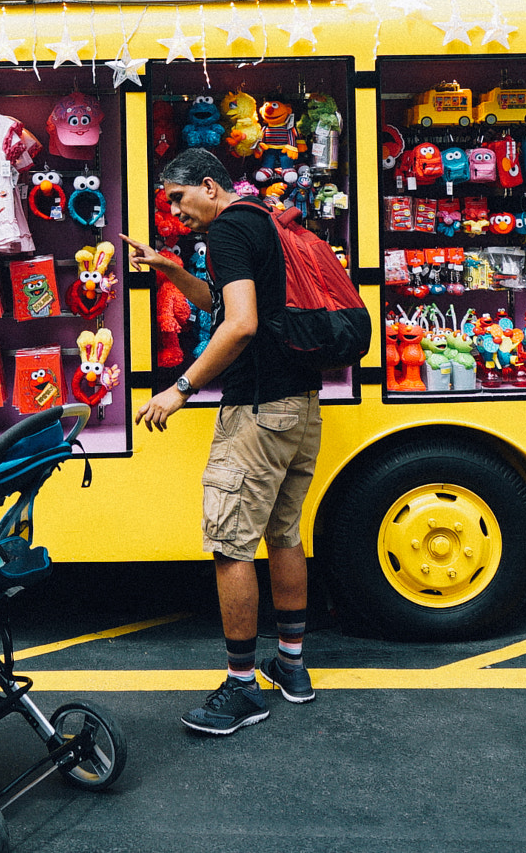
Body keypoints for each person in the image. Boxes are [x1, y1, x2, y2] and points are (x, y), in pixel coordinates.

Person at [124, 147, 324, 736]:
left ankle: (241, 689)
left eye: (179, 200)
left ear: (209, 186)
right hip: (300, 406)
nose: (176, 212)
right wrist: (170, 269)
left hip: (258, 411)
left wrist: (178, 389)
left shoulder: (229, 232)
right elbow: (225, 303)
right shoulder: (264, 219)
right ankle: (291, 666)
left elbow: (240, 324)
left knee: (231, 545)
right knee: (284, 532)